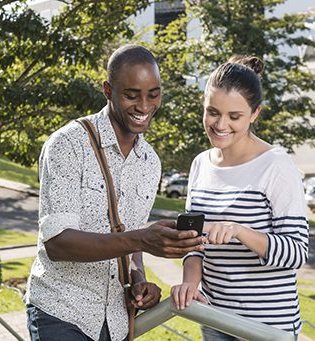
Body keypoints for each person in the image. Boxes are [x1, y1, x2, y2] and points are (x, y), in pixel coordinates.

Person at [24, 44, 205, 341]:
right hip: (60, 313)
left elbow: (131, 246)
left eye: (153, 94)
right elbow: (57, 243)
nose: (144, 106)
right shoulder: (67, 145)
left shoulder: (150, 163)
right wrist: (142, 239)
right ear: (108, 90)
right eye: (131, 95)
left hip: (116, 321)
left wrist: (139, 280)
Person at [170, 56, 309, 340]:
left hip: (266, 328)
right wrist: (190, 284)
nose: (220, 125)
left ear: (255, 113)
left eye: (235, 116)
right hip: (214, 319)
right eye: (213, 112)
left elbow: (296, 253)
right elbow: (194, 243)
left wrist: (239, 231)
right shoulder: (200, 165)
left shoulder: (276, 166)